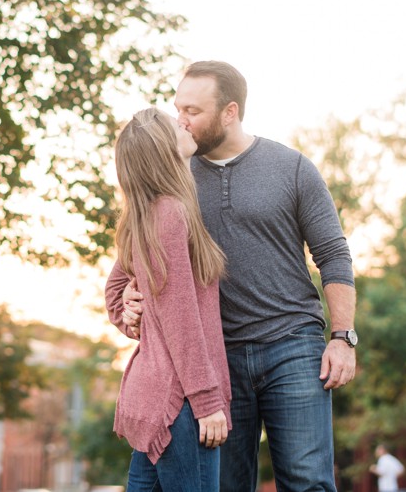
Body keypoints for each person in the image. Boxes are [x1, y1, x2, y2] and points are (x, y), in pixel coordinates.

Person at [106, 61, 357, 492]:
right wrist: (126, 304)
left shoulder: (292, 168)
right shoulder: (175, 178)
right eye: (177, 109)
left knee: (308, 482)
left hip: (292, 346)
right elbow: (127, 273)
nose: (181, 120)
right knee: (228, 484)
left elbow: (333, 254)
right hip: (214, 359)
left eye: (193, 111)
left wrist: (343, 336)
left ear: (230, 111)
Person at [105, 107, 232, 492]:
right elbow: (181, 317)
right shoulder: (170, 214)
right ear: (163, 150)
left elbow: (114, 292)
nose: (182, 122)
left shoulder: (147, 217)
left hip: (156, 398)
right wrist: (207, 400)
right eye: (172, 123)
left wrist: (127, 306)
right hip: (180, 404)